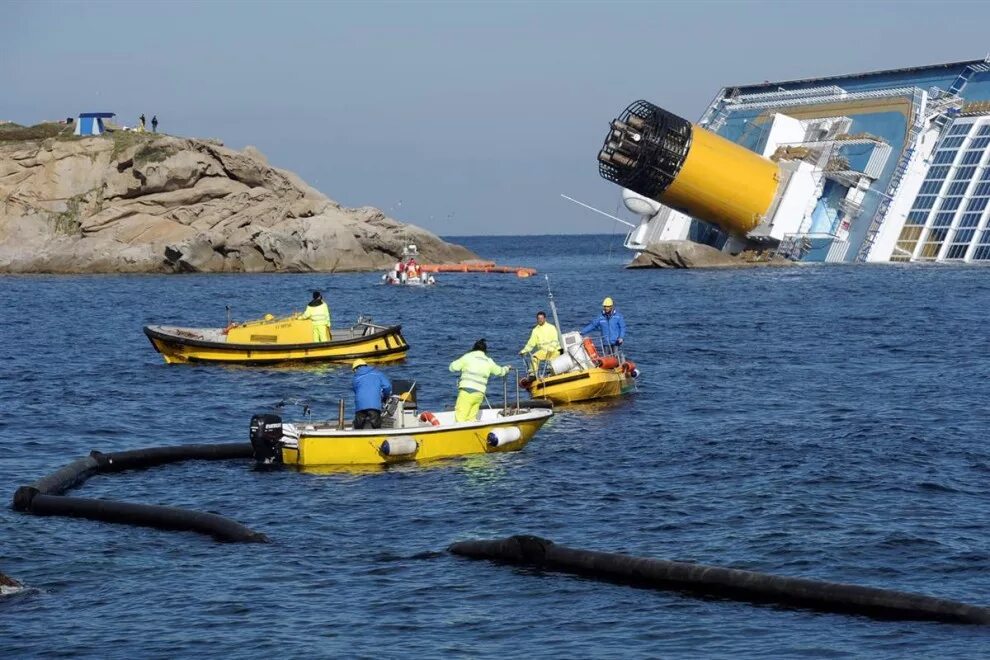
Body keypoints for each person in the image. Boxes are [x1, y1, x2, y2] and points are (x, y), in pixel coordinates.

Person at [448, 339, 510, 422]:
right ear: (485, 350)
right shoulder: (488, 361)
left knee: (460, 418)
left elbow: (452, 368)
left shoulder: (468, 356)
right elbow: (500, 372)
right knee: (471, 419)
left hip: (466, 392)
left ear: (474, 348)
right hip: (479, 394)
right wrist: (507, 368)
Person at [351, 359, 392, 429]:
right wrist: (385, 397)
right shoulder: (378, 373)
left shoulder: (355, 378)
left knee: (358, 426)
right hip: (374, 404)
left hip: (360, 405)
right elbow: (387, 386)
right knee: (376, 425)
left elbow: (355, 390)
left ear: (355, 369)